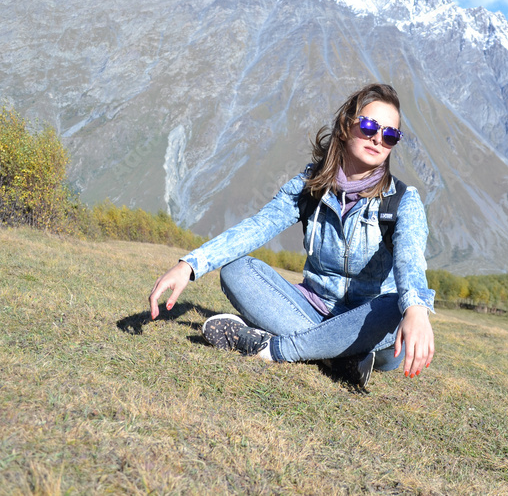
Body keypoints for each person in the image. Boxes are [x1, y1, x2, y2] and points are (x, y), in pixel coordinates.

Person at [148, 83, 435, 387]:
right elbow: (259, 226)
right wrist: (190, 265)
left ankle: (275, 348)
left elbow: (410, 262)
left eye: (390, 135)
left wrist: (416, 309)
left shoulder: (403, 200)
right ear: (346, 126)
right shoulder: (309, 186)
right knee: (236, 269)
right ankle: (337, 356)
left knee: (396, 306)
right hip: (310, 307)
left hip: (367, 325)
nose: (378, 138)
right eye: (369, 126)